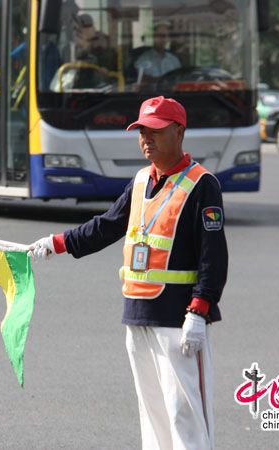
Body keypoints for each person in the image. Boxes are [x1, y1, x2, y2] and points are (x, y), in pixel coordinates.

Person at [29, 96, 228, 450]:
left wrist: (199, 310)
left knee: (185, 414)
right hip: (137, 313)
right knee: (153, 412)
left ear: (179, 131)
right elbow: (107, 226)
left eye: (155, 131)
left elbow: (214, 255)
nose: (145, 140)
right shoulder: (139, 181)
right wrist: (58, 243)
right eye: (141, 132)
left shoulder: (202, 184)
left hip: (179, 320)